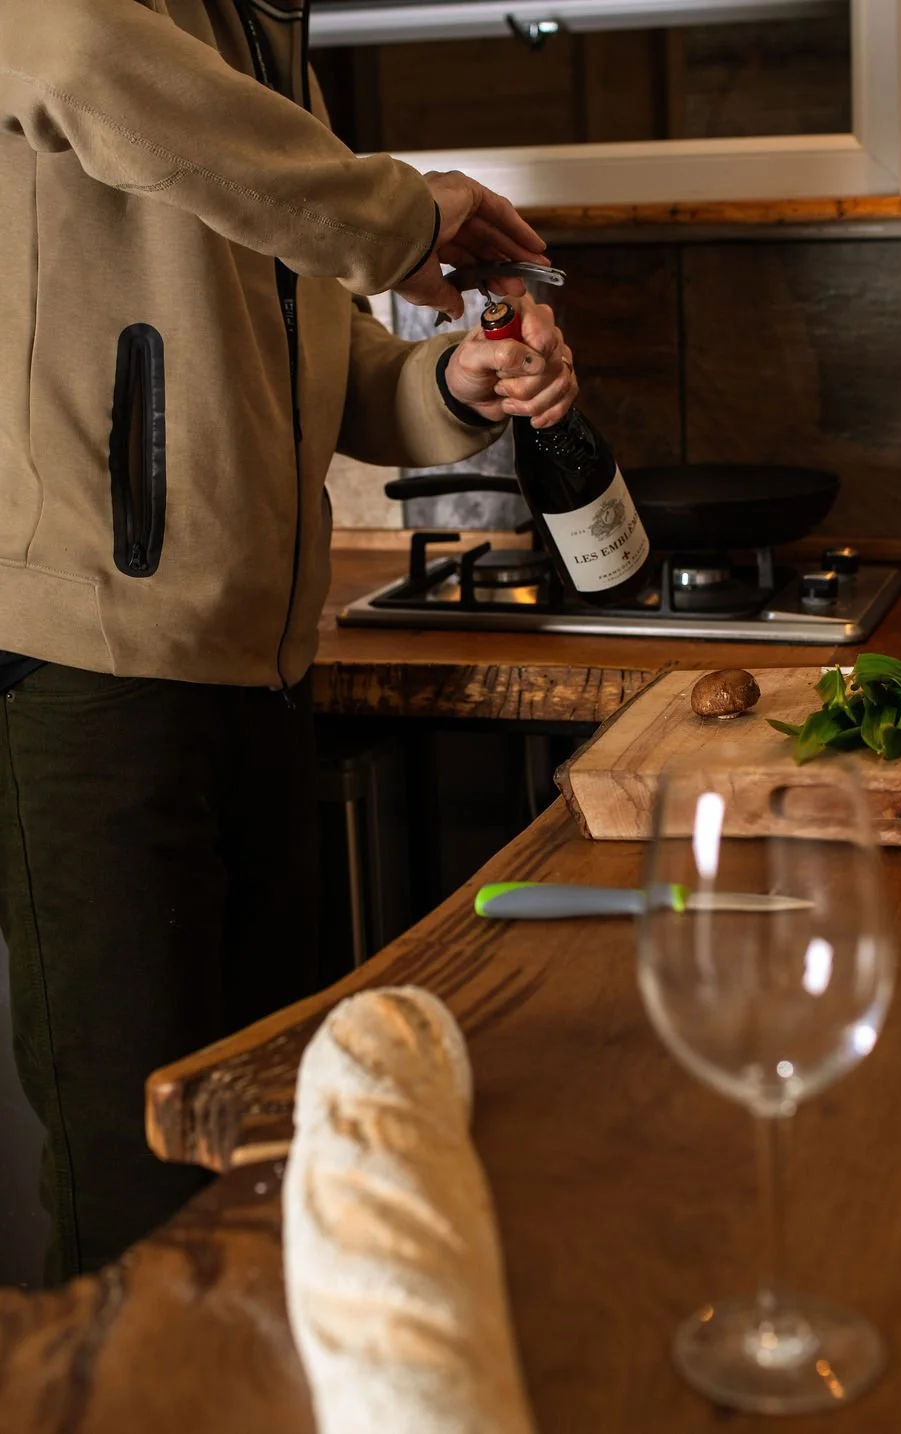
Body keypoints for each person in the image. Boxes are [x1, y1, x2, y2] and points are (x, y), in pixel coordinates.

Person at [0, 0, 577, 1284]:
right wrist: (398, 216)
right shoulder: (116, 29)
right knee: (141, 1201)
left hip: (260, 673)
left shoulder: (264, 44)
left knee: (264, 1159)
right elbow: (93, 65)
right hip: (87, 675)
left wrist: (442, 387)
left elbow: (307, 354)